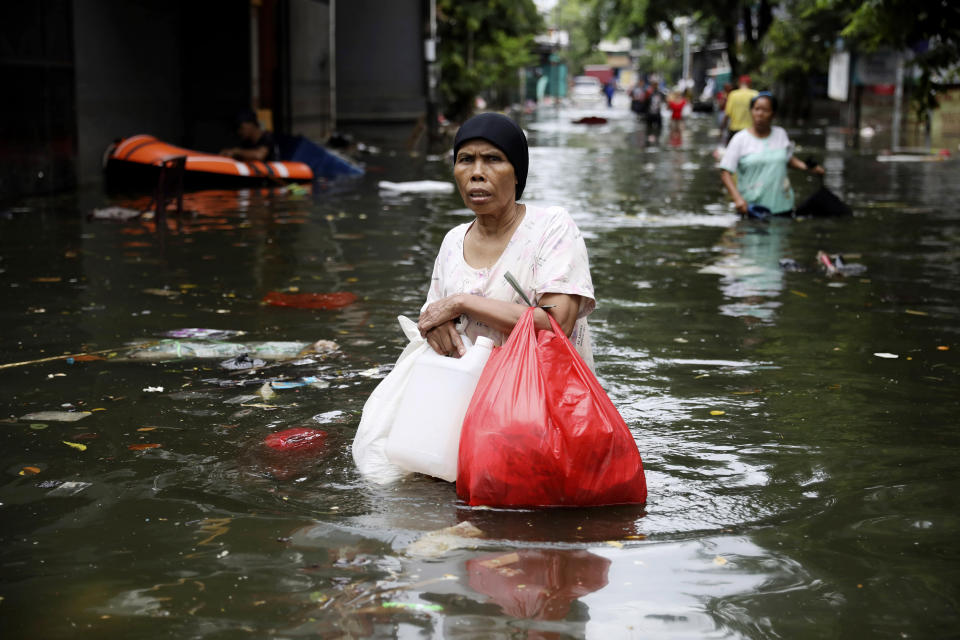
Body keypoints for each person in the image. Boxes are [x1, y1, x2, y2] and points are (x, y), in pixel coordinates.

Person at [417, 112, 596, 370]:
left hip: (541, 398)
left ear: (516, 174)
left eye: (493, 159)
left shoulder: (552, 228)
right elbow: (433, 315)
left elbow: (558, 324)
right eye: (465, 160)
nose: (476, 173)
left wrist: (462, 302)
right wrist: (436, 328)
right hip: (471, 397)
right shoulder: (453, 241)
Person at [719, 92, 825, 216]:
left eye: (765, 110)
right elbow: (725, 172)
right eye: (756, 109)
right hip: (753, 209)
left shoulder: (780, 134)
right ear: (751, 111)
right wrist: (738, 199)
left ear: (773, 114)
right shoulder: (740, 139)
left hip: (783, 207)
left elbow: (787, 159)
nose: (760, 114)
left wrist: (808, 168)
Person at [722, 75, 758, 144]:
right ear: (750, 84)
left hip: (735, 130)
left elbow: (727, 114)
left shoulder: (733, 94)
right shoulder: (755, 94)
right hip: (750, 130)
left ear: (739, 83)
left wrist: (722, 129)